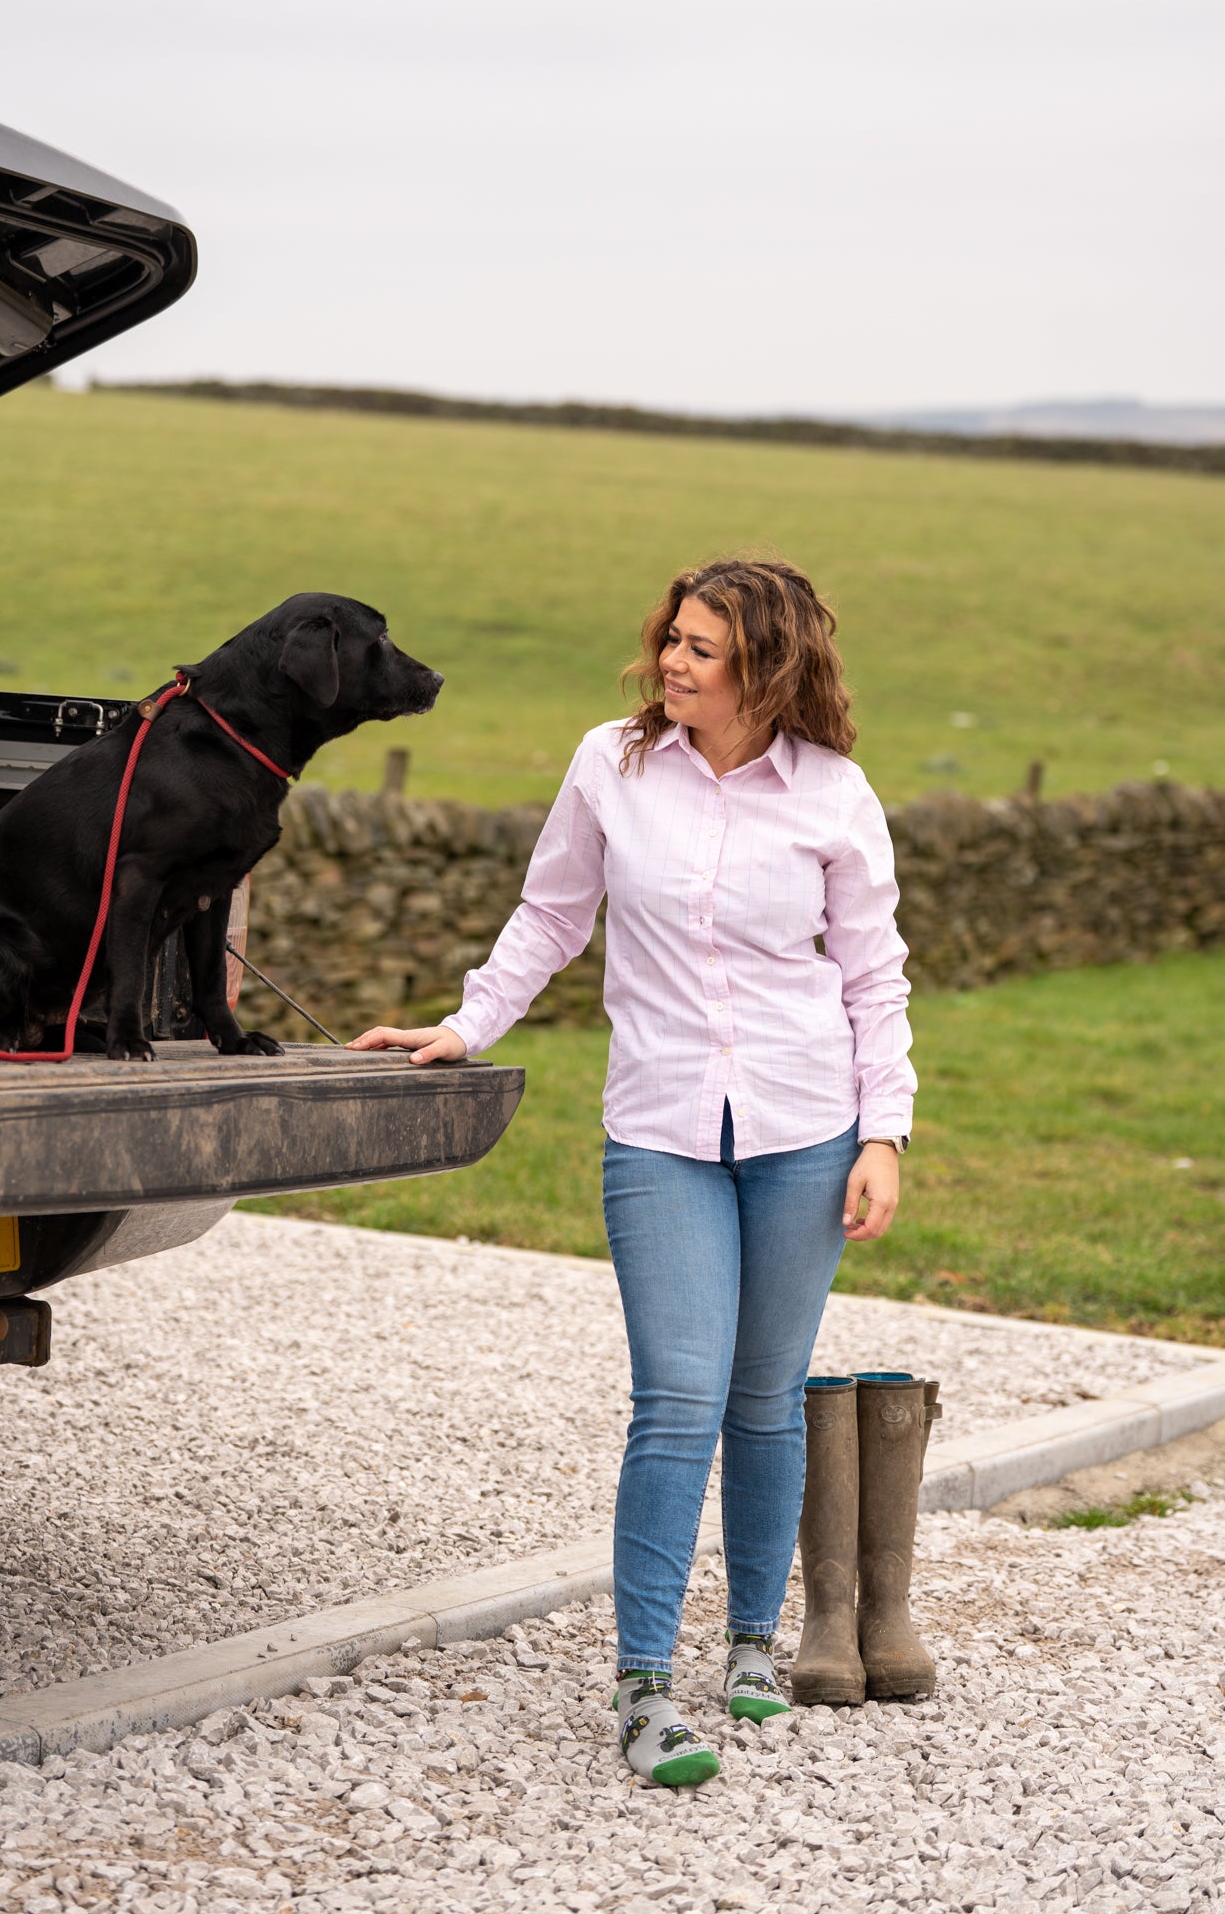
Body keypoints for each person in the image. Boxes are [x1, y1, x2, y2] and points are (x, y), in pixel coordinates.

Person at [348, 556, 915, 1787]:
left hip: (807, 1126)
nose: (671, 660)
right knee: (677, 1397)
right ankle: (645, 1685)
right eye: (673, 636)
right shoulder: (610, 762)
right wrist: (468, 1024)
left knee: (764, 1396)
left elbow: (873, 974)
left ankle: (753, 1642)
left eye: (703, 647)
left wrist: (885, 1132)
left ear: (766, 668)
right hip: (659, 1127)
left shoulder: (833, 792)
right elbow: (552, 914)